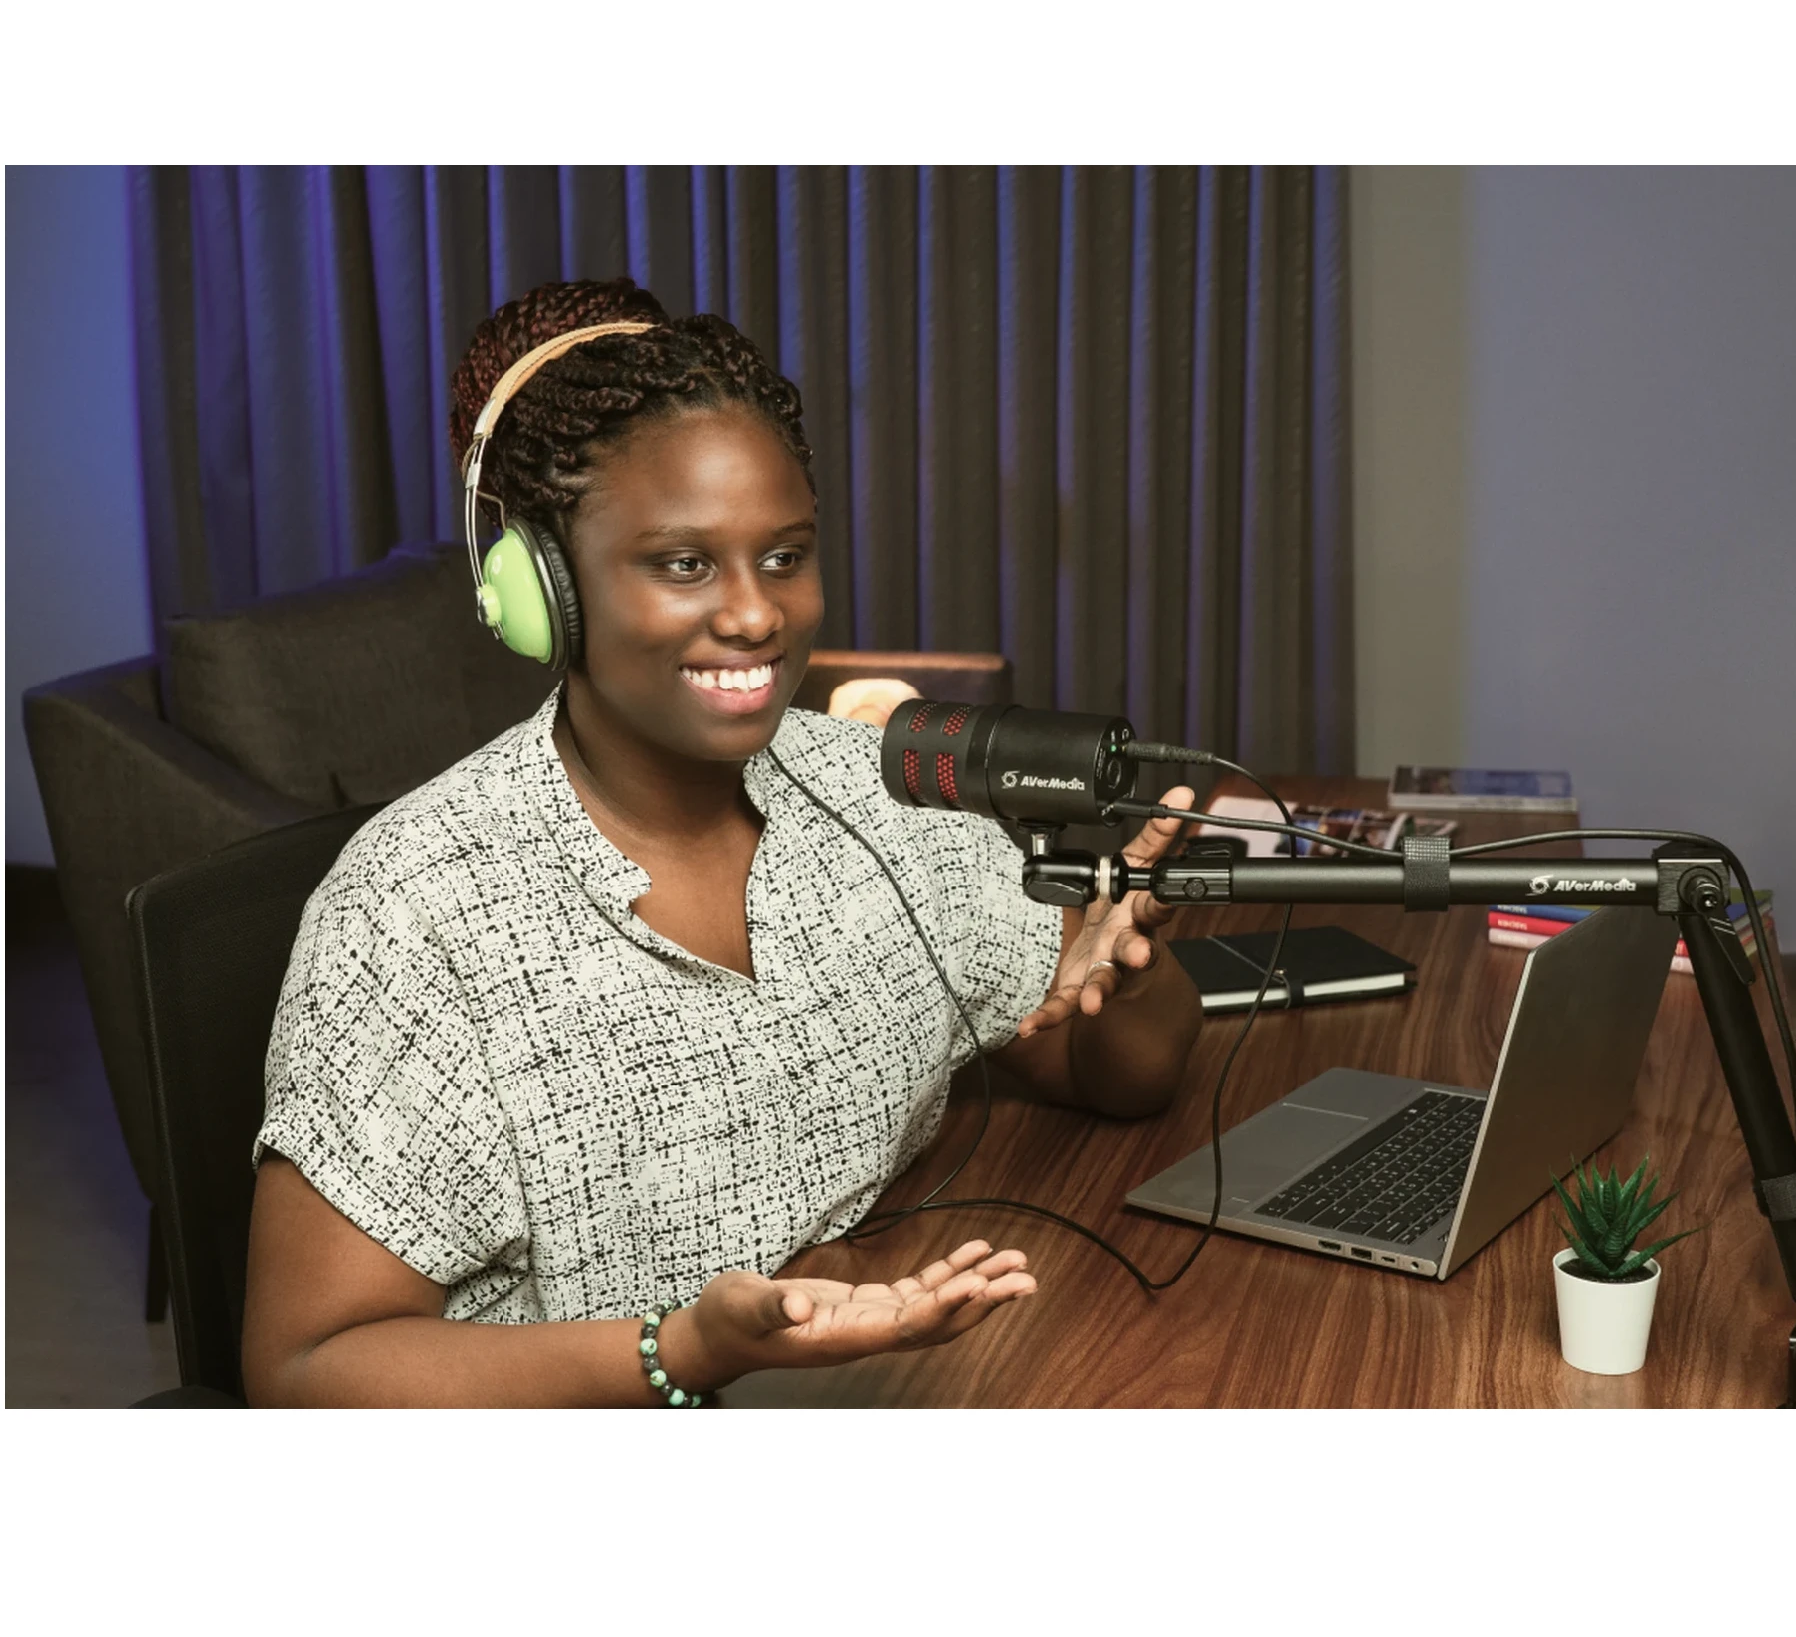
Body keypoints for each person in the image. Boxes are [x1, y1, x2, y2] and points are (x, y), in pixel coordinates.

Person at [241, 277, 1204, 1407]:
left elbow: (1107, 1073)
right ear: (545, 586)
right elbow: (304, 1369)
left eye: (784, 556)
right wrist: (682, 1351)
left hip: (859, 1381)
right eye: (684, 563)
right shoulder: (418, 911)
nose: (756, 614)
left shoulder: (881, 788)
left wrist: (1128, 971)